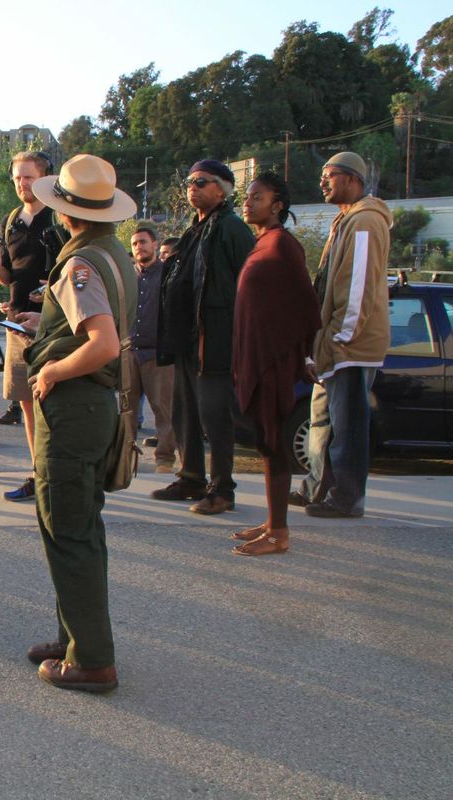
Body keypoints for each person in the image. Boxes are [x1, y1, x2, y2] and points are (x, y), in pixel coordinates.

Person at [22, 154, 136, 694]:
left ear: (66, 212)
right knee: (81, 529)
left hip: (74, 407)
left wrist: (49, 370)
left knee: (67, 531)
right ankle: (75, 638)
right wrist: (45, 325)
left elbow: (103, 344)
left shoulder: (79, 264)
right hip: (95, 407)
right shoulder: (114, 253)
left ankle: (91, 659)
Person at [293, 152, 392, 519]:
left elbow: (357, 288)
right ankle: (317, 488)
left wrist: (339, 339)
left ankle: (346, 498)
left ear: (353, 179)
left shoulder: (365, 221)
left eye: (330, 175)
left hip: (350, 345)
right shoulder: (346, 218)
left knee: (347, 425)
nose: (323, 182)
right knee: (323, 421)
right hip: (333, 343)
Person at [154, 159, 255, 515]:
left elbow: (247, 287)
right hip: (186, 338)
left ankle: (222, 489)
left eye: (202, 182)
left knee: (214, 414)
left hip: (214, 339)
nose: (192, 188)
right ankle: (192, 477)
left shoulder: (231, 229)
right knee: (185, 412)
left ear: (222, 190)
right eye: (190, 182)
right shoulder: (194, 229)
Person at [231, 172, 321, 556]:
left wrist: (304, 354)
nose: (248, 202)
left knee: (273, 443)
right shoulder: (263, 242)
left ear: (277, 205)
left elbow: (307, 304)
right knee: (266, 442)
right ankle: (272, 521)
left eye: (257, 197)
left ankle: (279, 533)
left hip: (273, 361)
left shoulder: (283, 245)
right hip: (256, 356)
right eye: (247, 196)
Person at [0, 150, 67, 502]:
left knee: (54, 404)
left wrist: (52, 290)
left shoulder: (60, 214)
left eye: (28, 177)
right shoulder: (10, 220)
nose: (22, 183)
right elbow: (9, 277)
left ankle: (59, 476)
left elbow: (74, 266)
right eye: (17, 178)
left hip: (54, 324)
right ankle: (39, 474)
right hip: (17, 324)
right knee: (26, 403)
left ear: (45, 177)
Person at [127, 225, 176, 472]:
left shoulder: (167, 273)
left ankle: (165, 459)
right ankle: (124, 458)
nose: (139, 247)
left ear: (154, 244)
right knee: (126, 411)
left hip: (158, 353)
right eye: (135, 243)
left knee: (163, 410)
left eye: (143, 242)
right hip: (130, 351)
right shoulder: (127, 276)